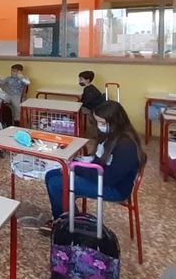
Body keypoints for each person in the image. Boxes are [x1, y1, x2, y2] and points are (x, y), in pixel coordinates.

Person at [40, 100, 142, 235]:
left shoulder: (126, 145)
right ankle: (67, 218)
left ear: (115, 120)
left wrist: (77, 169)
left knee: (56, 183)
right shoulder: (111, 135)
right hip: (103, 177)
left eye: (102, 123)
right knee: (50, 175)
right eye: (98, 122)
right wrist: (78, 162)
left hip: (114, 188)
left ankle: (64, 223)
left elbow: (109, 178)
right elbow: (99, 159)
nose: (99, 126)